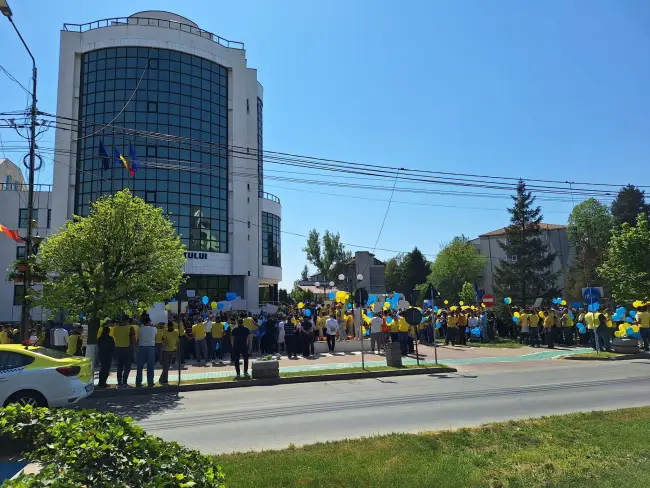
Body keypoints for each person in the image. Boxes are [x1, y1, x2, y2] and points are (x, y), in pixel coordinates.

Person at [114, 319, 136, 388]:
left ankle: (119, 382)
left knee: (119, 366)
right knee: (127, 366)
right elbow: (134, 340)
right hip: (127, 349)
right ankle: (124, 382)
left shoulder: (115, 329)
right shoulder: (130, 328)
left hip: (118, 349)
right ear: (126, 321)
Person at [136, 318, 157, 388]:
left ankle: (138, 382)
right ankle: (150, 382)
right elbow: (156, 335)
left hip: (142, 347)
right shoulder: (154, 329)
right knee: (150, 366)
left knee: (140, 366)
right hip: (151, 347)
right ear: (149, 322)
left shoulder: (140, 329)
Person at [160, 321, 180, 385]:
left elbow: (177, 341)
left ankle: (162, 379)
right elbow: (177, 342)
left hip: (169, 351)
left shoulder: (170, 332)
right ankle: (164, 379)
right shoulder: (175, 332)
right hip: (169, 351)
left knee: (166, 367)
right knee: (166, 367)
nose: (170, 327)